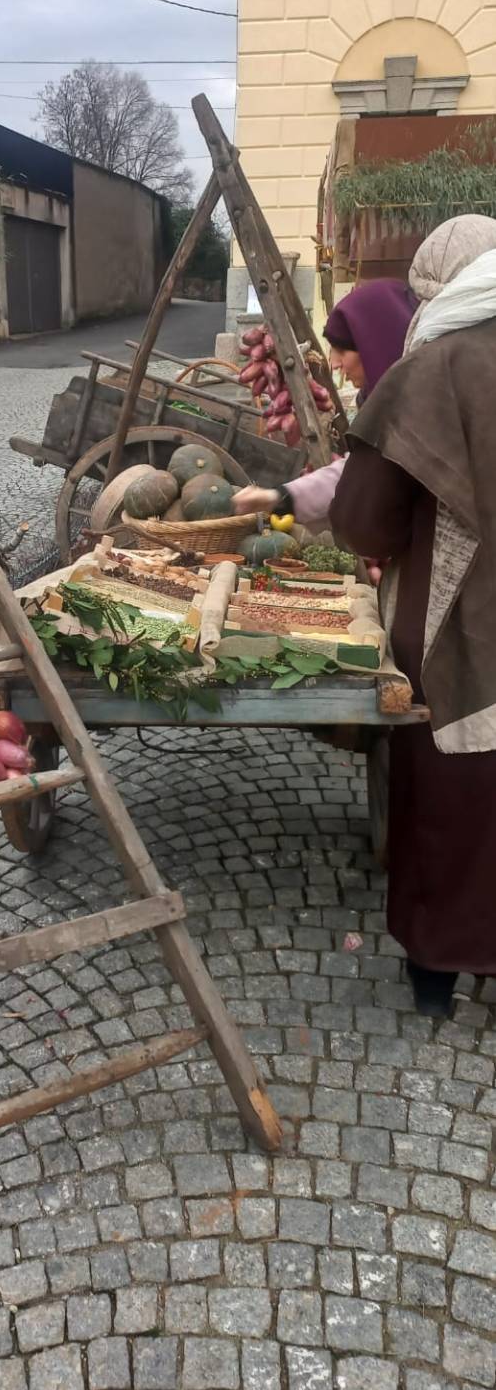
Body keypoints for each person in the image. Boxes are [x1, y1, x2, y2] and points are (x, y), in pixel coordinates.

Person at [330, 213, 496, 1016]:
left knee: (449, 798)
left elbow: (365, 521)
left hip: (458, 630)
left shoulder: (431, 372)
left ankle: (437, 971)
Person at [232, 279, 417, 533]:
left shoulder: (421, 416)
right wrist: (279, 498)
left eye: (343, 351)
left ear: (376, 347)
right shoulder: (391, 409)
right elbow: (358, 473)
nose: (335, 363)